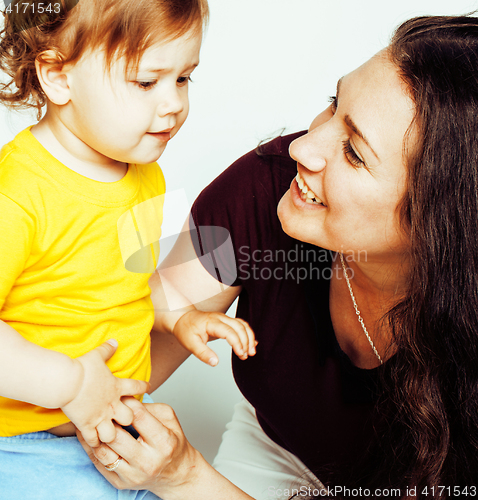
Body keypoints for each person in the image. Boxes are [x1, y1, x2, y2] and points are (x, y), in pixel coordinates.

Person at [80, 12, 478, 500]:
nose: (303, 148)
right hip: (278, 445)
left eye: (354, 152)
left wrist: (185, 478)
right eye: (334, 105)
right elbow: (118, 363)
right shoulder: (263, 189)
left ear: (443, 223)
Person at [0, 0, 256, 498]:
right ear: (57, 76)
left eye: (184, 79)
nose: (173, 104)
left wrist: (176, 318)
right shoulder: (17, 193)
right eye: (146, 82)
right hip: (23, 448)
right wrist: (72, 386)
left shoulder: (143, 174)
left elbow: (126, 283)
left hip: (114, 436)